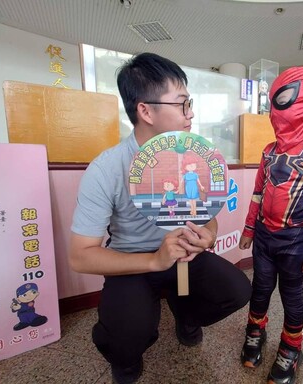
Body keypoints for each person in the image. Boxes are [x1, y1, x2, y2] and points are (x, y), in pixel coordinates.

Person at [69, 53, 251, 384]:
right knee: (128, 333)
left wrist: (208, 235)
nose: (191, 113)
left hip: (185, 257)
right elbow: (80, 256)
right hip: (134, 262)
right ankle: (125, 358)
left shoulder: (194, 157)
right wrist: (154, 260)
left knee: (237, 290)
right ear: (145, 111)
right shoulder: (107, 168)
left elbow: (206, 216)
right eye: (182, 104)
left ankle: (186, 314)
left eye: (189, 103)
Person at [238, 67, 303, 384]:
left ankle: (291, 347)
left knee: (292, 296)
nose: (278, 108)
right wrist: (248, 230)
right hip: (265, 239)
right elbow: (258, 193)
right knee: (260, 289)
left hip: (298, 241)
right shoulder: (269, 151)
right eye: (275, 100)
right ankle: (255, 330)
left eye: (287, 98)